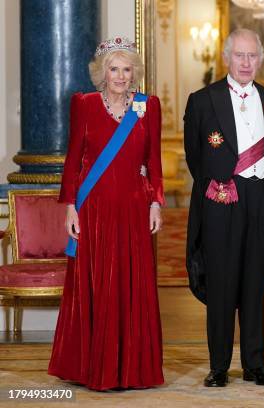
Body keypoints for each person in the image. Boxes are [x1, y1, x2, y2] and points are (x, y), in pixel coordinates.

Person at [48, 37, 164, 390]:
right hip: (93, 208)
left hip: (133, 208)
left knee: (132, 284)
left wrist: (156, 202)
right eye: (114, 69)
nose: (121, 76)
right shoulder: (84, 104)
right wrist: (69, 206)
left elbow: (153, 161)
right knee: (95, 283)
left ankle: (132, 369)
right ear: (102, 72)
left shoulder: (147, 106)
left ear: (135, 74)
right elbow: (72, 160)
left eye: (127, 69)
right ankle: (92, 367)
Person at [184, 28, 264, 387]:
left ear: (260, 58)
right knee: (222, 283)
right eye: (239, 56)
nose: (246, 63)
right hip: (221, 200)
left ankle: (255, 364)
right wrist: (218, 185)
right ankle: (218, 366)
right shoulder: (202, 100)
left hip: (259, 198)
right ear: (226, 57)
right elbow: (195, 157)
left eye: (252, 56)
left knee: (254, 284)